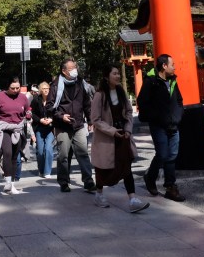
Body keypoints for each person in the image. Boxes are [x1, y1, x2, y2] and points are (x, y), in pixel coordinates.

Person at [90, 66, 149, 213]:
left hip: (122, 135)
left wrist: (128, 129)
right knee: (103, 168)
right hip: (106, 137)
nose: (117, 76)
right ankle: (99, 193)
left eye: (118, 73)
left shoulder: (121, 92)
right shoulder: (100, 95)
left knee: (126, 165)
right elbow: (95, 119)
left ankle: (133, 199)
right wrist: (112, 131)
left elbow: (129, 112)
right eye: (114, 73)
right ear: (107, 76)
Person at [137, 54, 186, 202]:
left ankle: (170, 187)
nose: (175, 67)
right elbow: (142, 102)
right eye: (172, 64)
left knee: (172, 156)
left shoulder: (172, 81)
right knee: (163, 154)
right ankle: (150, 177)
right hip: (158, 125)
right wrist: (156, 117)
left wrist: (178, 116)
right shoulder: (151, 81)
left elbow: (179, 100)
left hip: (173, 124)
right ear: (164, 66)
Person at [46, 58, 95, 193]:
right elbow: (49, 107)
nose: (74, 71)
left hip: (78, 124)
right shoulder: (55, 85)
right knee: (63, 155)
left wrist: (90, 120)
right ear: (63, 71)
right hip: (62, 126)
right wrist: (61, 116)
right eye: (71, 68)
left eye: (75, 68)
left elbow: (86, 103)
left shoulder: (80, 82)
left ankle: (88, 181)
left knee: (83, 153)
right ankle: (64, 182)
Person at [0, 77, 31, 195]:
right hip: (3, 127)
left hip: (17, 128)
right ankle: (8, 182)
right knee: (7, 153)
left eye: (18, 88)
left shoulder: (23, 97)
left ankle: (12, 183)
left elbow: (27, 109)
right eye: (13, 88)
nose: (16, 90)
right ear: (7, 88)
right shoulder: (0, 96)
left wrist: (28, 113)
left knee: (15, 157)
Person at [30, 82, 55, 178]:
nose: (46, 90)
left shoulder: (52, 100)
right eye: (44, 88)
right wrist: (40, 120)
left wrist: (51, 119)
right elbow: (31, 113)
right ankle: (41, 170)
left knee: (48, 149)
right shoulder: (36, 100)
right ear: (40, 90)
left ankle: (47, 172)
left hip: (50, 128)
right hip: (39, 128)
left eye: (47, 88)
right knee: (40, 151)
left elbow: (56, 112)